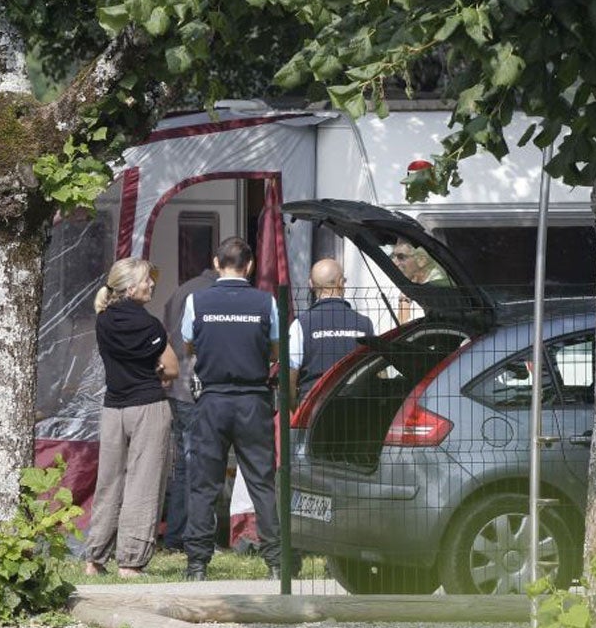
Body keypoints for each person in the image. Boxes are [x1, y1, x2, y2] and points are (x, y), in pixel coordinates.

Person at [180, 237, 281, 581]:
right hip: (253, 400)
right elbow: (274, 350)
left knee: (203, 485)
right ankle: (276, 562)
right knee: (262, 483)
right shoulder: (266, 301)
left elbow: (189, 343)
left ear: (216, 262)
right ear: (249, 266)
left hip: (212, 401)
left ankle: (197, 565)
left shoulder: (197, 300)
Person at [85, 257, 179, 578]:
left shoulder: (102, 321)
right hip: (147, 406)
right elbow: (172, 367)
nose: (152, 284)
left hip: (112, 409)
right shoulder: (150, 325)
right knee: (144, 482)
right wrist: (155, 368)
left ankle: (94, 557)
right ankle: (131, 561)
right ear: (130, 287)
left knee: (108, 481)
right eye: (146, 280)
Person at [160, 267, 219, 552]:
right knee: (200, 465)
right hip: (198, 388)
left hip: (177, 388)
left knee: (183, 466)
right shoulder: (215, 294)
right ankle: (196, 535)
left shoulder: (183, 289)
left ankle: (176, 535)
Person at [289, 258, 374, 405]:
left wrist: (295, 410)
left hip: (313, 409)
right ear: (341, 282)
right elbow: (376, 369)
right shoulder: (364, 324)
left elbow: (289, 376)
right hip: (358, 408)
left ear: (310, 284)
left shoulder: (300, 325)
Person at [391, 239, 448, 321]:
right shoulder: (413, 285)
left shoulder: (439, 288)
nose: (395, 262)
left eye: (401, 257)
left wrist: (405, 299)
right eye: (393, 256)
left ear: (421, 260)